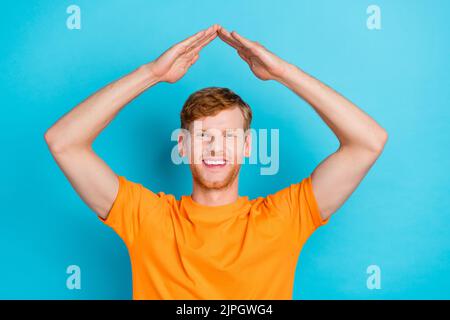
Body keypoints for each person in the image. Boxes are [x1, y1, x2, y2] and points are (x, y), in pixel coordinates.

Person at [45, 24, 388, 299]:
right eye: (204, 136)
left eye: (228, 137)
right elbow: (63, 141)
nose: (215, 148)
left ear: (248, 146)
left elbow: (368, 142)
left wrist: (284, 72)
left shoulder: (285, 218)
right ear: (183, 145)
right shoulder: (146, 218)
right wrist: (151, 73)